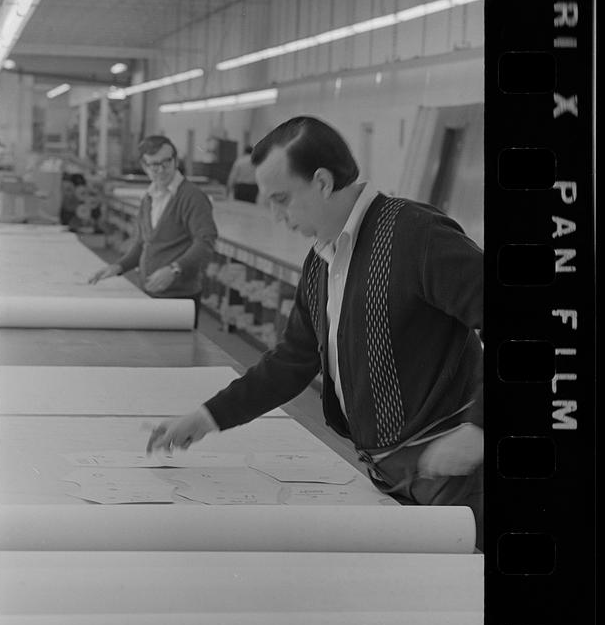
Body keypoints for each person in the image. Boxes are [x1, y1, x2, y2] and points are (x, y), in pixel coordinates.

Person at [147, 116, 484, 549]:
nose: (275, 216)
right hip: (395, 476)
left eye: (282, 199)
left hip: (459, 477)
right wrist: (207, 417)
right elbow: (293, 359)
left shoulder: (416, 236)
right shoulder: (322, 261)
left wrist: (478, 431)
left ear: (322, 182)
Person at [89, 135, 217, 328]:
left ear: (175, 160)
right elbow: (143, 243)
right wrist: (119, 267)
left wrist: (175, 269)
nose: (161, 170)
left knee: (176, 354)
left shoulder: (192, 197)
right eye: (153, 164)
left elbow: (205, 242)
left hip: (180, 297)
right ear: (144, 166)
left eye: (166, 162)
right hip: (150, 291)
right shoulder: (149, 198)